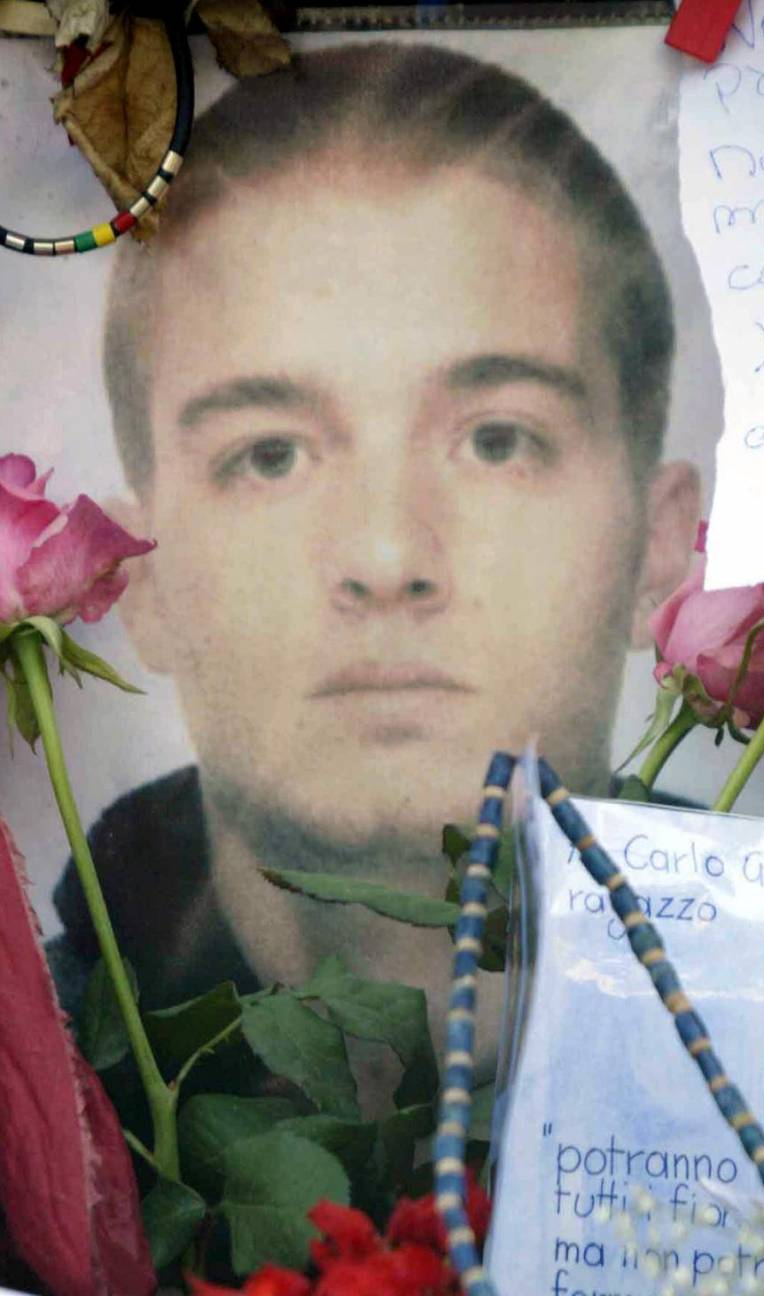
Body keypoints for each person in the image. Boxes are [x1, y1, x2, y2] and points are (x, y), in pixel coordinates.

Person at [46, 40, 700, 1112]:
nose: (388, 560)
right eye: (271, 456)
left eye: (497, 441)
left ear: (659, 548)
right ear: (138, 579)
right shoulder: (21, 1118)